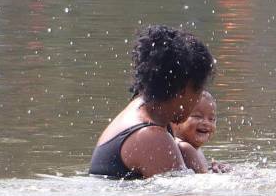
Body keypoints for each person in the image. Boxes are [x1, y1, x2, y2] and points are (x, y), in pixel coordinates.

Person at [90, 26, 216, 179]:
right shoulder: (152, 137)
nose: (197, 100)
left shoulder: (143, 108)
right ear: (185, 89)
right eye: (198, 91)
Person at [173, 91, 229, 173]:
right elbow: (207, 182)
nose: (206, 123)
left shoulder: (195, 148)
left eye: (211, 119)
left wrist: (214, 170)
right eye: (197, 116)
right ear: (175, 120)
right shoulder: (185, 147)